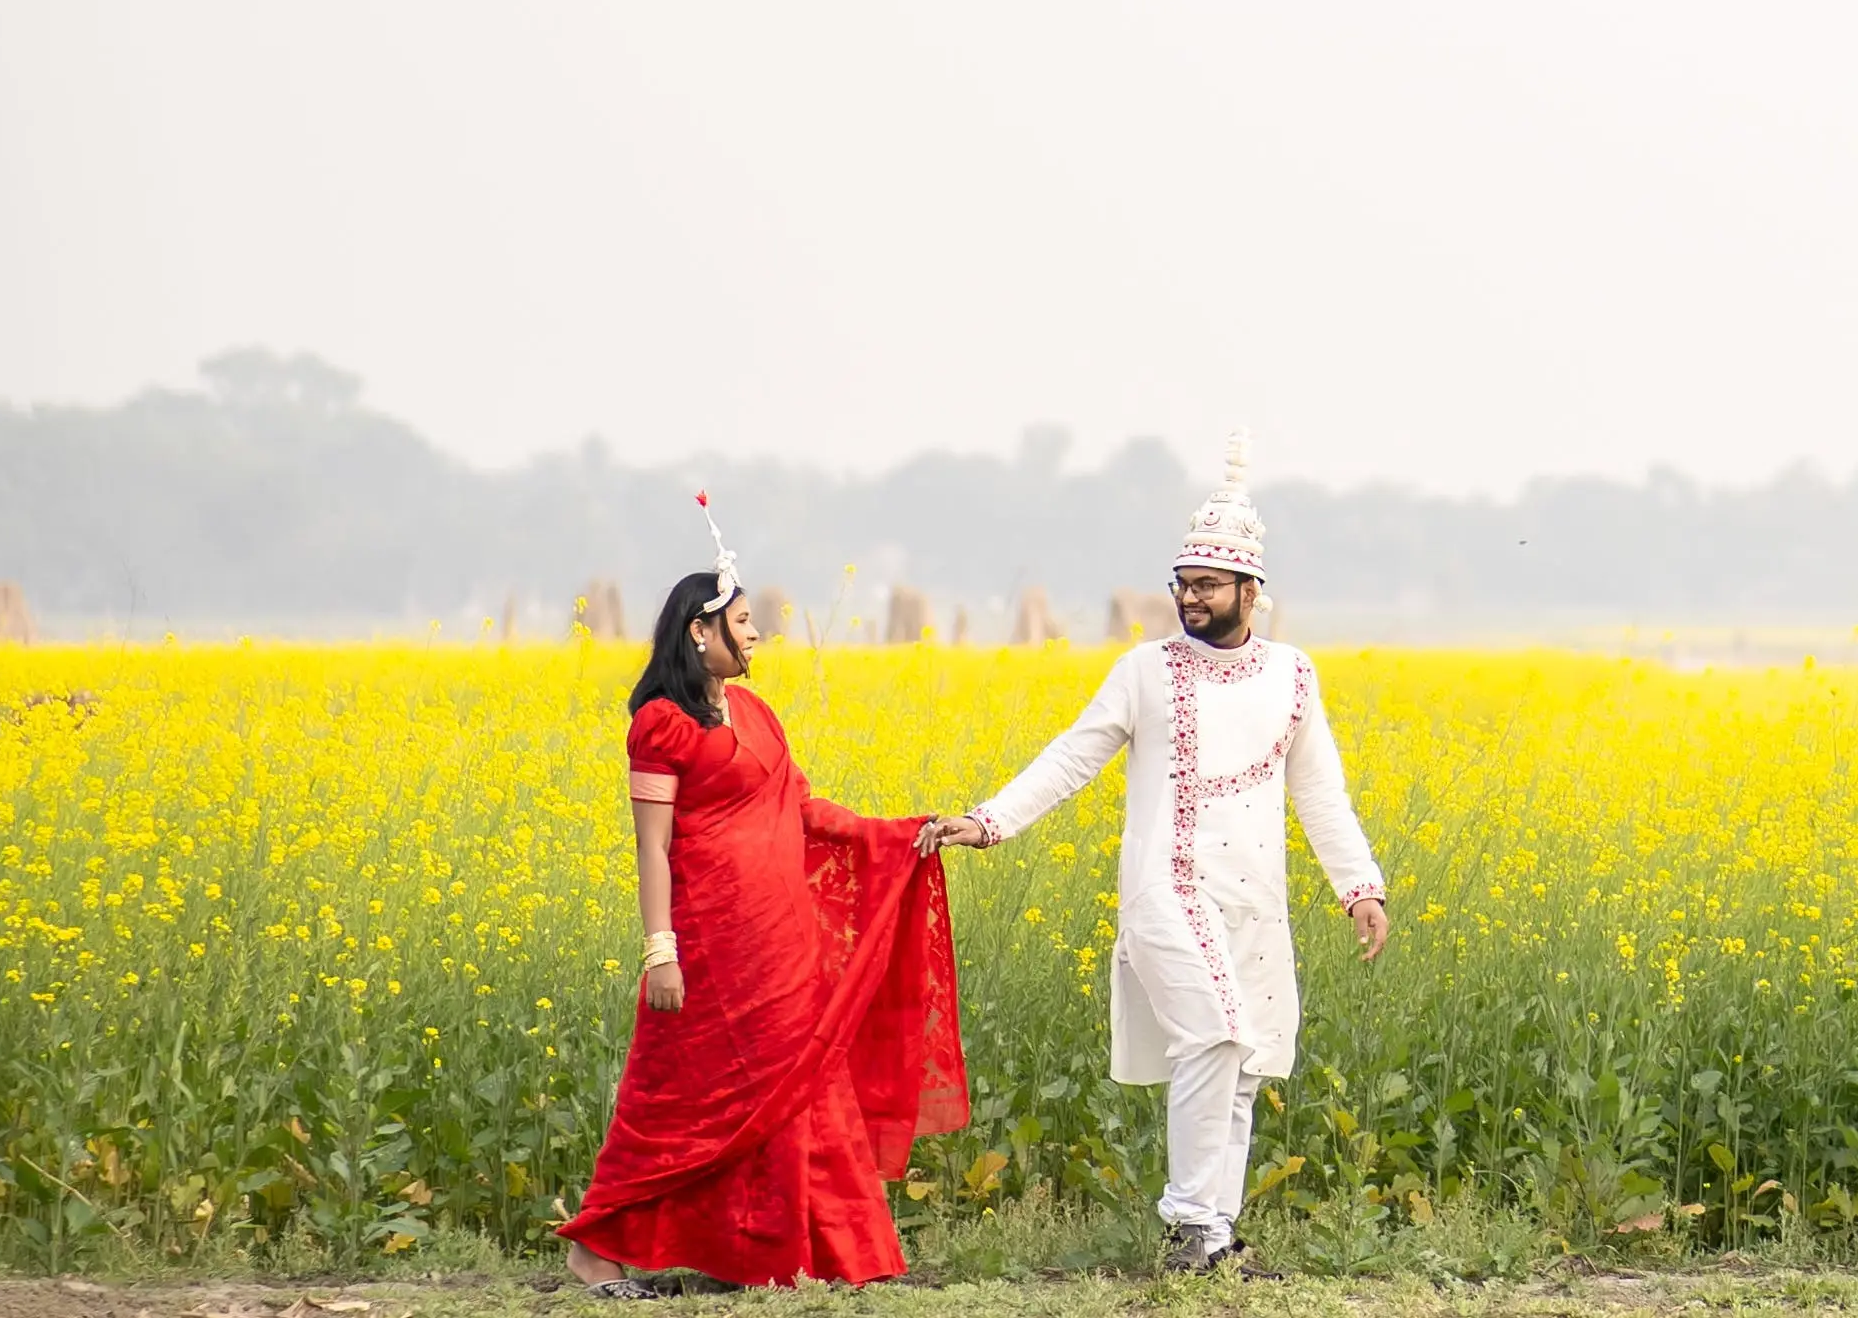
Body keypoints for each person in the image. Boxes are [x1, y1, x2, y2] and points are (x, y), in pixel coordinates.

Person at [940, 440, 1388, 1276]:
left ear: (1251, 591)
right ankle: (1190, 1223)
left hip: (1254, 897)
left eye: (1209, 586)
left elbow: (1320, 793)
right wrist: (990, 820)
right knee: (1217, 1034)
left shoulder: (1293, 676)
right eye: (1184, 583)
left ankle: (1216, 1230)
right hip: (1166, 892)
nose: (1191, 598)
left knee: (1245, 1061)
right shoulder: (1145, 672)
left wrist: (1360, 887)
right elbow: (1074, 756)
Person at [561, 566, 981, 1291]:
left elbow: (805, 810)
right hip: (707, 946)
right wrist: (661, 952)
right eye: (746, 622)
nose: (759, 635)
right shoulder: (659, 723)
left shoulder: (755, 713)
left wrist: (898, 834)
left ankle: (790, 1254)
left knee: (798, 1090)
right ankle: (594, 1250)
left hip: (779, 948)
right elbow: (651, 846)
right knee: (676, 1098)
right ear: (701, 630)